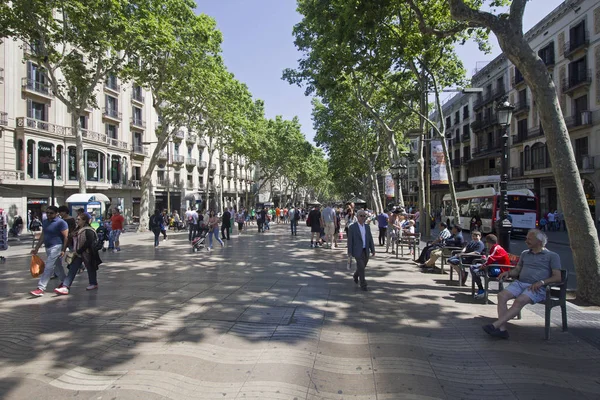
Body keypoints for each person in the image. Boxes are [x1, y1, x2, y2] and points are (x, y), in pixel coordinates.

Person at [483, 230, 562, 339]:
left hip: (537, 287)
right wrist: (509, 273)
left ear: (539, 241)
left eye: (529, 239)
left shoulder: (552, 256)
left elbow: (558, 277)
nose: (526, 241)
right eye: (526, 238)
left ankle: (495, 325)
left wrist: (542, 282)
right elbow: (517, 270)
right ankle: (502, 330)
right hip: (520, 283)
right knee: (501, 296)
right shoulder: (525, 253)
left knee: (519, 300)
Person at [54, 212, 102, 294]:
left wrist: (79, 251)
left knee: (90, 268)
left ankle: (93, 283)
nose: (77, 221)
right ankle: (65, 286)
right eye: (77, 219)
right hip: (77, 253)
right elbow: (71, 239)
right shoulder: (77, 229)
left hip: (87, 253)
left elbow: (88, 243)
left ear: (84, 221)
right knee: (72, 269)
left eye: (79, 219)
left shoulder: (88, 230)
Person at [29, 206, 69, 297]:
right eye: (47, 213)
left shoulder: (61, 223)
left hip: (57, 246)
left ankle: (41, 288)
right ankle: (65, 282)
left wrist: (63, 249)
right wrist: (36, 248)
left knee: (49, 267)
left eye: (51, 213)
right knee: (57, 267)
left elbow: (66, 237)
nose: (48, 214)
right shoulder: (45, 222)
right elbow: (43, 235)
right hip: (48, 247)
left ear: (56, 213)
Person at [470, 234, 511, 299]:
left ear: (488, 242)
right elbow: (491, 258)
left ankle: (481, 290)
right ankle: (481, 290)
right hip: (496, 268)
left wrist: (482, 266)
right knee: (472, 267)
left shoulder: (496, 249)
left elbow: (490, 259)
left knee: (475, 271)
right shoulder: (496, 247)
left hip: (500, 271)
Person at [347, 210, 376, 291]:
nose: (363, 217)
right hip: (357, 250)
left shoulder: (367, 227)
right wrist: (349, 252)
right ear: (357, 216)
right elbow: (350, 241)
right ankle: (363, 284)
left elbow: (370, 239)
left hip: (365, 250)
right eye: (361, 216)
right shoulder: (352, 227)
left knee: (362, 267)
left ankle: (356, 275)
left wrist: (373, 249)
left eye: (364, 216)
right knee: (361, 268)